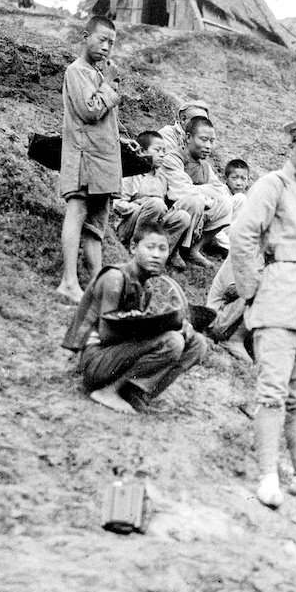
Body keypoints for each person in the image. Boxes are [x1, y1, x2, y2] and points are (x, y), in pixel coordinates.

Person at [229, 117, 296, 514]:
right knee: (272, 391)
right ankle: (268, 476)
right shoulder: (272, 185)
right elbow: (243, 236)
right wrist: (255, 289)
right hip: (277, 298)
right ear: (291, 145)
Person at [61, 220, 207, 414]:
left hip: (113, 357)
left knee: (198, 344)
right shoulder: (115, 277)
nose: (156, 255)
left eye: (163, 249)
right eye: (150, 247)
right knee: (173, 342)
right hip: (95, 360)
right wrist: (165, 327)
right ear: (133, 248)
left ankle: (137, 392)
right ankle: (108, 391)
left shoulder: (145, 286)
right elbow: (106, 334)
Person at [55, 15, 122, 304]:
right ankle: (69, 282)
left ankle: (97, 286)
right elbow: (90, 110)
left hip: (104, 159)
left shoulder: (97, 75)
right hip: (83, 155)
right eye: (102, 39)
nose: (107, 47)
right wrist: (109, 86)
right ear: (85, 36)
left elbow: (104, 118)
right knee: (77, 212)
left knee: (96, 227)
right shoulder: (76, 71)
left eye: (112, 43)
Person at [159, 115, 232, 268]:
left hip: (196, 209)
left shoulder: (204, 165)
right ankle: (173, 251)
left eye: (211, 141)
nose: (208, 146)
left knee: (225, 204)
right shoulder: (173, 158)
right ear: (188, 137)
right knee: (194, 201)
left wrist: (200, 192)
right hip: (170, 216)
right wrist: (206, 195)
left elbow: (220, 190)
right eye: (203, 139)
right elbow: (181, 191)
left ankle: (193, 250)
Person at [112, 130, 193, 268]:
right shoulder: (132, 174)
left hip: (154, 221)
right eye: (157, 150)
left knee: (183, 216)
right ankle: (136, 249)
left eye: (164, 151)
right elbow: (117, 204)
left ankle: (162, 256)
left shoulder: (161, 177)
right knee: (156, 204)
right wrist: (141, 206)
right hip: (129, 226)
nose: (162, 154)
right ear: (143, 151)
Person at [204, 257, 251, 362]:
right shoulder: (240, 254)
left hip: (232, 316)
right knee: (260, 289)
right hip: (218, 319)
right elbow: (230, 291)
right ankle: (235, 340)